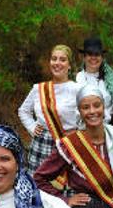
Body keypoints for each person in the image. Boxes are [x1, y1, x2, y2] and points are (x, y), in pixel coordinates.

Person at [19, 44, 83, 172]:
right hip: (41, 145)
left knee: (63, 188)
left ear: (69, 65)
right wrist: (32, 127)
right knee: (38, 187)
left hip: (67, 145)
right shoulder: (39, 89)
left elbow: (87, 116)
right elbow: (23, 111)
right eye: (54, 59)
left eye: (62, 59)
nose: (57, 63)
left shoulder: (77, 89)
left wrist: (78, 132)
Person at [76, 36, 113, 120]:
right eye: (90, 54)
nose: (93, 58)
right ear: (84, 57)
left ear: (102, 57)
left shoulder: (111, 80)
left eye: (97, 54)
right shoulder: (77, 79)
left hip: (107, 125)